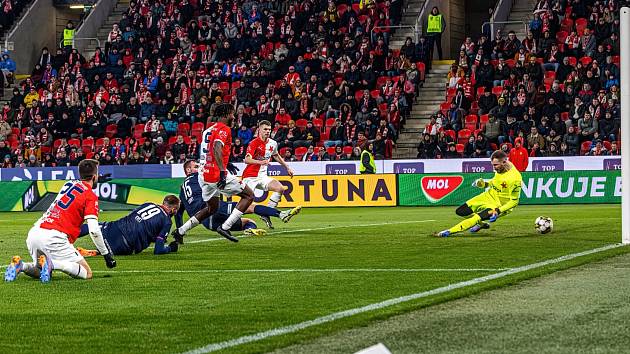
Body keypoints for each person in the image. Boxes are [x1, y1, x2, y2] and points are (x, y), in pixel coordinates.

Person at [4, 159, 116, 283]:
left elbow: (83, 182)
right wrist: (106, 255)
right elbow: (94, 230)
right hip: (54, 237)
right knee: (87, 272)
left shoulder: (68, 184)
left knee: (41, 270)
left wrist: (96, 178)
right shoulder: (90, 196)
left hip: (35, 233)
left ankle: (21, 265)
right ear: (94, 176)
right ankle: (54, 263)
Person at [172, 103, 254, 242]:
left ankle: (180, 231)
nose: (233, 116)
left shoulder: (207, 130)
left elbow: (209, 150)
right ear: (226, 114)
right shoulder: (224, 129)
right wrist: (223, 171)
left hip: (203, 175)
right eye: (232, 114)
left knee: (212, 208)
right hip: (215, 174)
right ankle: (225, 227)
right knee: (248, 195)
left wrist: (227, 164)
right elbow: (216, 147)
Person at [176, 161, 300, 236]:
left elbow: (179, 213)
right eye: (196, 166)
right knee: (249, 206)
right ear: (188, 170)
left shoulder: (182, 189)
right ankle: (281, 214)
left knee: (249, 222)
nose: (199, 168)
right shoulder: (201, 176)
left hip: (207, 223)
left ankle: (249, 230)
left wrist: (180, 231)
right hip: (213, 209)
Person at [437, 150, 522, 237]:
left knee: (476, 217)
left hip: (499, 205)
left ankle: (449, 231)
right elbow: (496, 183)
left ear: (504, 162)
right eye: (493, 165)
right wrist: (483, 184)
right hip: (488, 196)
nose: (494, 168)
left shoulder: (515, 179)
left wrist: (498, 210)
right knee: (461, 211)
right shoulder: (502, 168)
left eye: (496, 165)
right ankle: (481, 224)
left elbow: (514, 202)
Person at [75, 195, 181, 256]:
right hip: (125, 247)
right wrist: (170, 248)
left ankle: (67, 237)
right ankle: (96, 252)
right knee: (111, 249)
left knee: (93, 226)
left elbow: (134, 218)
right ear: (173, 209)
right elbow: (158, 250)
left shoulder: (149, 204)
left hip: (114, 230)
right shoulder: (167, 221)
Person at [242, 120, 301, 228]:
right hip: (250, 177)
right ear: (259, 129)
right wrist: (261, 162)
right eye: (265, 129)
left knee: (280, 188)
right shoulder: (253, 143)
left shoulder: (272, 143)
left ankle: (266, 214)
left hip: (263, 176)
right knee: (246, 205)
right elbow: (247, 160)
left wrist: (287, 167)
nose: (267, 131)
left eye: (269, 129)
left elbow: (276, 155)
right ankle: (229, 218)